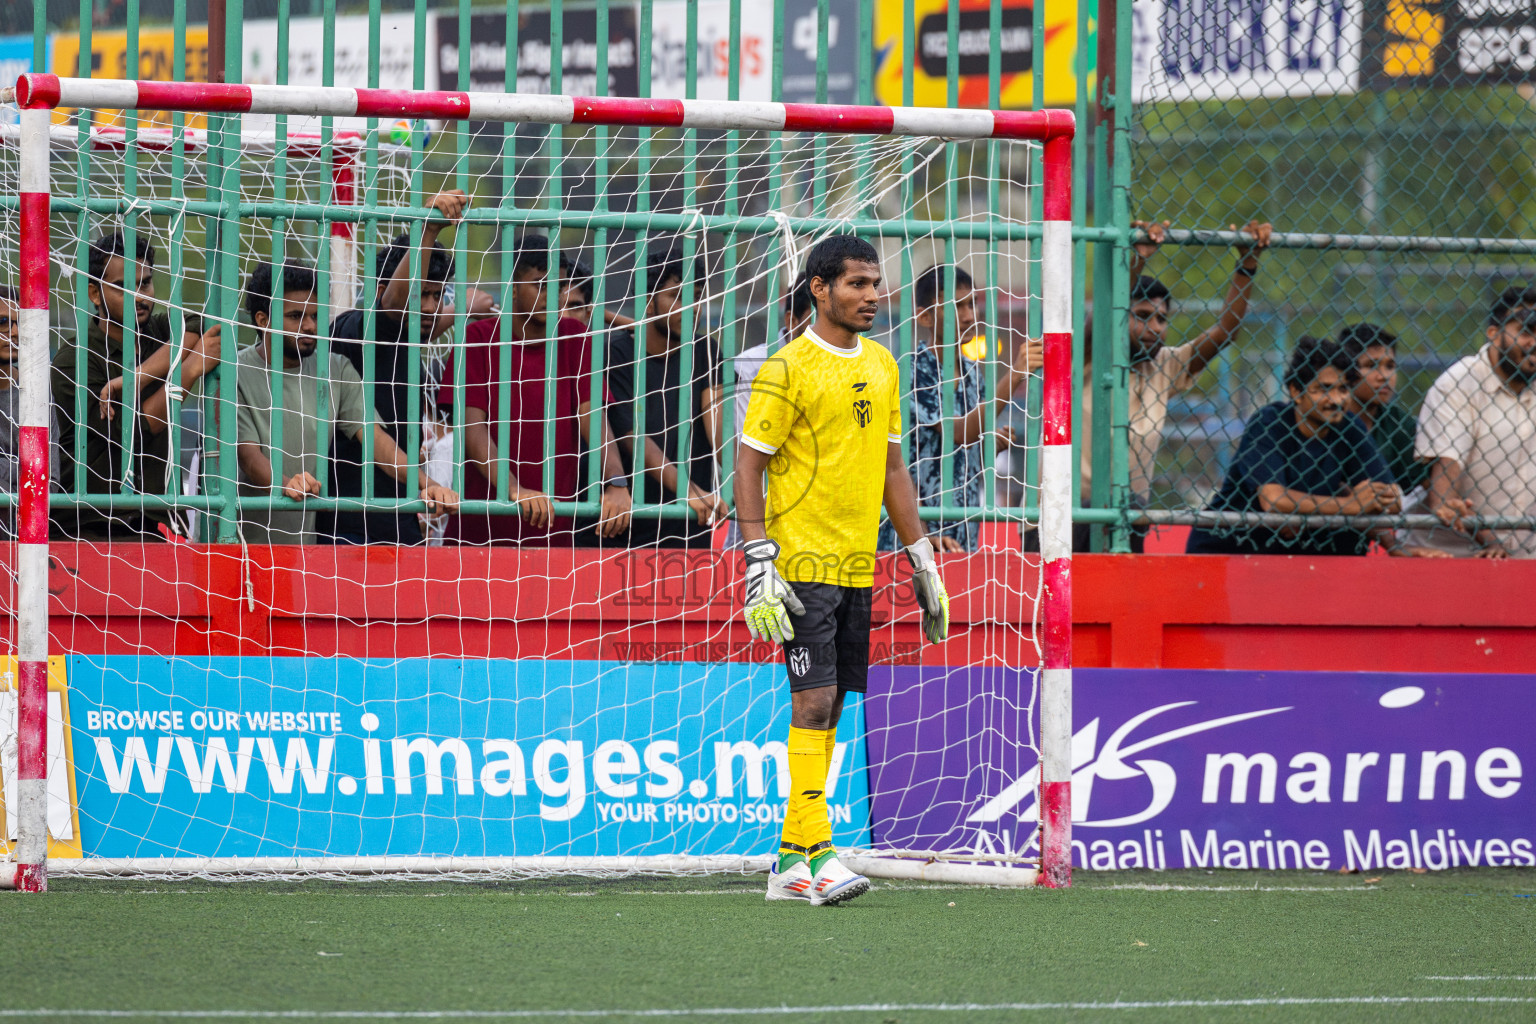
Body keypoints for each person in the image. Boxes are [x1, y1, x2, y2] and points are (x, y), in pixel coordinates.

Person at [735, 235, 950, 907]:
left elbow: (893, 471)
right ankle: (821, 853)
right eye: (857, 283)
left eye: (875, 283)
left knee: (832, 711)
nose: (872, 295)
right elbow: (747, 467)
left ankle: (790, 863)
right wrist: (757, 557)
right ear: (819, 289)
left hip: (859, 563)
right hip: (799, 559)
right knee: (815, 701)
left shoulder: (884, 365)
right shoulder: (786, 368)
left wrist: (921, 557)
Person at [1070, 219, 1272, 551]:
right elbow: (1107, 311)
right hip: (1070, 512)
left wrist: (1247, 263)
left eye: (1162, 318)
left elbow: (1224, 334)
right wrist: (1138, 259)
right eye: (1143, 315)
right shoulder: (1092, 354)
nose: (1154, 326)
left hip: (1126, 514)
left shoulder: (1164, 365)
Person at [234, 262, 458, 545]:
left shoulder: (335, 367)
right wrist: (286, 484)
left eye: (315, 315)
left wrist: (431, 486)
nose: (310, 326)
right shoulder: (235, 370)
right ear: (263, 319)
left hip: (306, 542)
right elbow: (248, 457)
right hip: (241, 537)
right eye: (296, 316)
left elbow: (378, 441)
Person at [321, 189, 497, 545]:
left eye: (437, 295)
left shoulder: (408, 339)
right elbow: (395, 305)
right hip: (349, 518)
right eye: (422, 294)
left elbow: (452, 311)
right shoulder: (361, 328)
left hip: (398, 511)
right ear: (385, 289)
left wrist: (456, 309)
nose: (430, 306)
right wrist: (427, 232)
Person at [436, 235, 632, 546]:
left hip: (553, 533)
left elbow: (592, 416)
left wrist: (617, 482)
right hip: (480, 532)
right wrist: (514, 489)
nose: (550, 295)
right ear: (513, 287)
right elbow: (472, 430)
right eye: (539, 284)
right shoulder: (476, 337)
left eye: (558, 286)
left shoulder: (576, 336)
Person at [53, 230, 217, 541]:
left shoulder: (158, 330)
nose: (140, 297)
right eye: (122, 287)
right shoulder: (73, 360)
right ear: (94, 293)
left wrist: (136, 376)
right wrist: (190, 370)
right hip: (87, 528)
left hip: (151, 525)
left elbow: (203, 326)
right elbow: (133, 432)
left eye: (145, 283)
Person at [1186, 338, 1403, 556]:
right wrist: (1351, 505)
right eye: (1324, 389)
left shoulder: (1349, 426)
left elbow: (1392, 501)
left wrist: (1304, 510)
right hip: (1229, 545)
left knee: (1347, 536)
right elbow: (1274, 500)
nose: (1336, 399)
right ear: (1296, 392)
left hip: (1290, 548)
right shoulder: (1270, 422)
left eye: (1343, 389)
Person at [880, 264, 1039, 554]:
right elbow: (959, 431)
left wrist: (989, 445)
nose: (968, 315)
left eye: (972, 304)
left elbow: (962, 447)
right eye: (956, 306)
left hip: (962, 527)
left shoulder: (971, 373)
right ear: (925, 315)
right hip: (912, 530)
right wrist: (1015, 374)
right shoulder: (911, 371)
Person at [604, 243, 729, 548]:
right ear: (649, 302)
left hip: (689, 525)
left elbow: (720, 433)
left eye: (697, 298)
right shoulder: (617, 354)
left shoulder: (706, 351)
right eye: (677, 296)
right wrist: (689, 490)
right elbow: (633, 437)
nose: (691, 307)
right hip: (626, 524)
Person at [1410, 285, 1536, 558]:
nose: (1534, 342)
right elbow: (1445, 482)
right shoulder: (1458, 384)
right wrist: (1489, 538)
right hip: (1453, 556)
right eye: (1526, 331)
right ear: (1494, 334)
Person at [0, 287, 61, 526]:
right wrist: (21, 468)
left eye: (20, 323)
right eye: (3, 322)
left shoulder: (37, 390)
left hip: (23, 529)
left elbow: (49, 480)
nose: (14, 332)